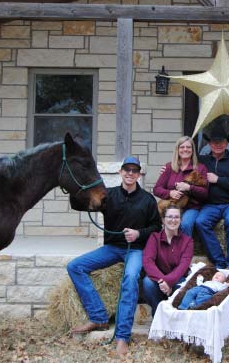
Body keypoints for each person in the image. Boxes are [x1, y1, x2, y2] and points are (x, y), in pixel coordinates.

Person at [67, 156, 161, 355]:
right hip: (111, 249)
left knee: (130, 278)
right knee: (75, 266)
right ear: (120, 172)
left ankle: (122, 337)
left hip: (135, 249)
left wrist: (138, 234)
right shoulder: (107, 195)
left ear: (138, 174)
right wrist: (72, 188)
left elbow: (156, 228)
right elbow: (80, 204)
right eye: (126, 169)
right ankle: (99, 316)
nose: (130, 173)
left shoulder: (147, 199)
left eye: (134, 170)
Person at [195, 125, 229, 270]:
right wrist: (168, 168)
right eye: (214, 142)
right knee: (200, 222)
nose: (218, 145)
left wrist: (218, 180)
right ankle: (219, 261)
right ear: (209, 144)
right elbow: (184, 165)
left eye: (221, 142)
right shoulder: (202, 161)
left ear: (226, 144)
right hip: (211, 204)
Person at [142, 204, 194, 316]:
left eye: (176, 217)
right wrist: (162, 281)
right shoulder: (154, 238)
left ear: (180, 220)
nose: (173, 220)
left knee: (182, 286)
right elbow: (148, 261)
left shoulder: (187, 241)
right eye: (169, 217)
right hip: (158, 281)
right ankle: (158, 317)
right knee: (147, 282)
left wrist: (168, 282)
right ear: (163, 220)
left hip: (178, 281)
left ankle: (176, 319)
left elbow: (183, 266)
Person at [153, 136, 208, 236]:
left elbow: (205, 193)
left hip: (191, 208)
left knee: (185, 224)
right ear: (177, 150)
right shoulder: (169, 167)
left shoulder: (200, 168)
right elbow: (157, 189)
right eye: (182, 147)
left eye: (188, 147)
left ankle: (185, 251)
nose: (185, 149)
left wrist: (189, 188)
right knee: (158, 223)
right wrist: (170, 192)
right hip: (171, 206)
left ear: (193, 150)